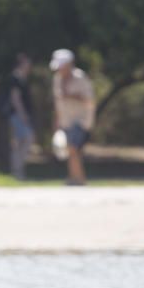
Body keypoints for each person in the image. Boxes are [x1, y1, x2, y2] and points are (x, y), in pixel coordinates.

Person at [50, 49, 95, 186]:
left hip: (81, 121)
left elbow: (90, 101)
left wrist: (70, 95)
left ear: (69, 64)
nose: (60, 69)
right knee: (70, 150)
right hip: (65, 121)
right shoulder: (57, 79)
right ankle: (74, 177)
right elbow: (58, 103)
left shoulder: (80, 78)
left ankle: (79, 179)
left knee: (73, 148)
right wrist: (56, 122)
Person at [6, 53, 35, 180]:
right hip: (17, 116)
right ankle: (17, 172)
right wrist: (23, 115)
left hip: (20, 115)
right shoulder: (15, 78)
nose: (30, 66)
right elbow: (15, 98)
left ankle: (18, 171)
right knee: (22, 141)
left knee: (23, 142)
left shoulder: (22, 78)